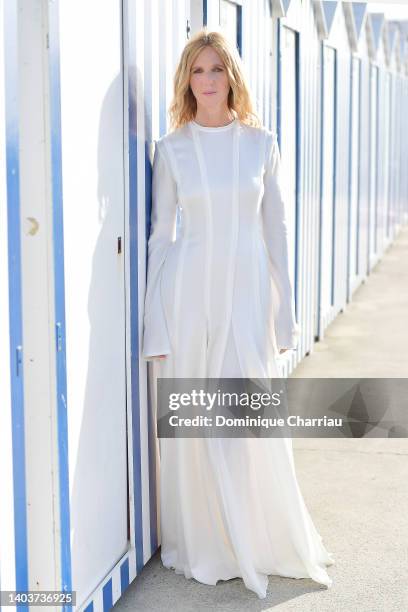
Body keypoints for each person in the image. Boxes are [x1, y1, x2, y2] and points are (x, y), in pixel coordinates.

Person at [141, 28, 334, 599]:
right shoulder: (170, 149)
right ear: (186, 80)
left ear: (232, 77)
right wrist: (154, 322)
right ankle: (210, 542)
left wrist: (285, 314)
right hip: (190, 293)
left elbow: (276, 231)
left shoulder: (261, 144)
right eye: (197, 71)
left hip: (248, 291)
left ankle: (252, 533)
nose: (206, 82)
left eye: (216, 70)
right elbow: (159, 238)